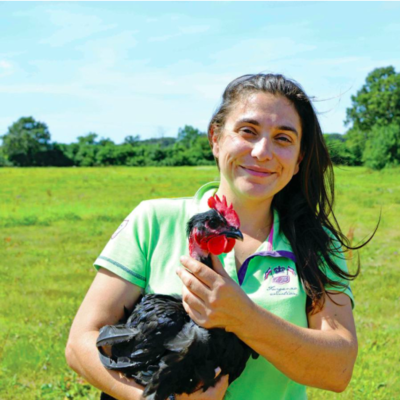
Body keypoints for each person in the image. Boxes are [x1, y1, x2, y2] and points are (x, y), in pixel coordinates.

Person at [66, 74, 360, 400]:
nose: (263, 151)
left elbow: (338, 370)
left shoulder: (315, 244)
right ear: (215, 139)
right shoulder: (153, 221)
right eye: (248, 131)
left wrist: (244, 318)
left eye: (283, 138)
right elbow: (81, 343)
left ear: (299, 159)